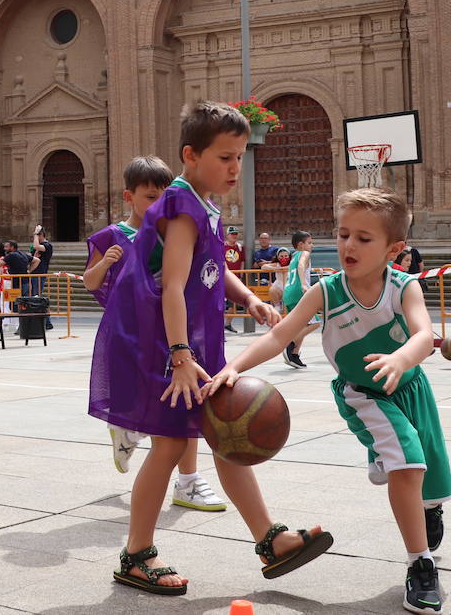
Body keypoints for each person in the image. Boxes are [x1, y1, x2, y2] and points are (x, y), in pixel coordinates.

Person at [89, 102, 325, 596]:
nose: (235, 167)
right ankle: (136, 555)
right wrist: (179, 358)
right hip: (166, 346)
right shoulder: (180, 204)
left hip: (195, 343)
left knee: (223, 432)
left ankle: (270, 539)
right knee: (172, 446)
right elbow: (173, 285)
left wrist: (248, 299)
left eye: (240, 157)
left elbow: (213, 267)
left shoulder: (204, 204)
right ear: (190, 155)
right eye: (225, 157)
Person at [207, 187, 449, 613]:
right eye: (342, 234)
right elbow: (281, 334)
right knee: (407, 463)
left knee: (429, 481)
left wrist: (400, 358)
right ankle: (420, 565)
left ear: (394, 249)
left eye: (363, 238)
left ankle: (425, 506)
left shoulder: (404, 286)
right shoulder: (326, 292)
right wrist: (235, 367)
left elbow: (424, 334)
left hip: (411, 388)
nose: (348, 245)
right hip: (364, 395)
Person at [84, 155, 227, 512]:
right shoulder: (112, 236)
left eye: (162, 197)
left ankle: (187, 478)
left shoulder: (173, 229)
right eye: (150, 197)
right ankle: (127, 429)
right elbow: (90, 282)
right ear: (128, 196)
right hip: (132, 332)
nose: (157, 205)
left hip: (171, 328)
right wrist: (105, 263)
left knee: (186, 399)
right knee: (155, 403)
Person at [280, 231, 320, 369]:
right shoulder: (304, 254)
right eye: (309, 242)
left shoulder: (293, 257)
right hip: (299, 292)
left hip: (288, 293)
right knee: (315, 323)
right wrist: (304, 283)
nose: (312, 245)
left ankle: (294, 355)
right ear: (301, 245)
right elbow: (301, 266)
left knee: (301, 325)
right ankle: (290, 342)